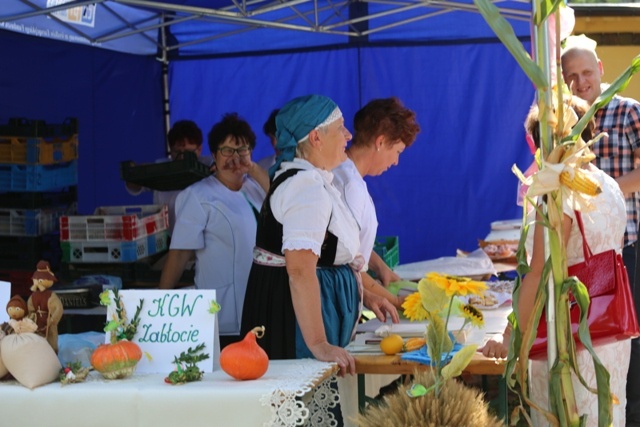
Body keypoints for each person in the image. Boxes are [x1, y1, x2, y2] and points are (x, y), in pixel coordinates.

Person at [481, 98, 631, 426]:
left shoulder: (559, 191)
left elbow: (538, 274)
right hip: (609, 328)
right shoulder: (610, 186)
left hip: (569, 333)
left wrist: (510, 336)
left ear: (542, 145)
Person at [241, 94, 398, 377]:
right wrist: (317, 342)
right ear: (315, 137)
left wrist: (366, 295)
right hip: (291, 321)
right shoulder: (305, 188)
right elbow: (300, 271)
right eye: (340, 128)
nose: (348, 135)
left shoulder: (309, 180)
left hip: (295, 309)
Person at [561, 34, 640, 426]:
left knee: (626, 335)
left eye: (586, 73)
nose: (580, 82)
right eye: (571, 76)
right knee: (592, 341)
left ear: (602, 70)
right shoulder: (563, 121)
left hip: (626, 246)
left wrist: (602, 190)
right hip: (582, 256)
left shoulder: (628, 112)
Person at [159, 113, 268, 348]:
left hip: (263, 306)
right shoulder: (198, 196)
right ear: (214, 155)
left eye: (242, 150)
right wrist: (160, 302)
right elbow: (179, 254)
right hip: (225, 315)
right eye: (227, 151)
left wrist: (255, 169)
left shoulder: (255, 188)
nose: (234, 158)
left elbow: (282, 204)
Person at [333, 97, 420, 309]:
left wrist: (381, 267)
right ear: (380, 142)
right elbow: (346, 263)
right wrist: (397, 302)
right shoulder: (348, 185)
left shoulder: (350, 176)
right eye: (397, 152)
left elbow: (351, 244)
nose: (396, 162)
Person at [125, 120, 213, 235]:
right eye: (177, 152)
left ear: (199, 149)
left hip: (203, 237)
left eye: (188, 152)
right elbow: (134, 187)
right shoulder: (162, 167)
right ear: (170, 150)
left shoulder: (209, 164)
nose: (182, 157)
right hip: (168, 237)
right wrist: (137, 174)